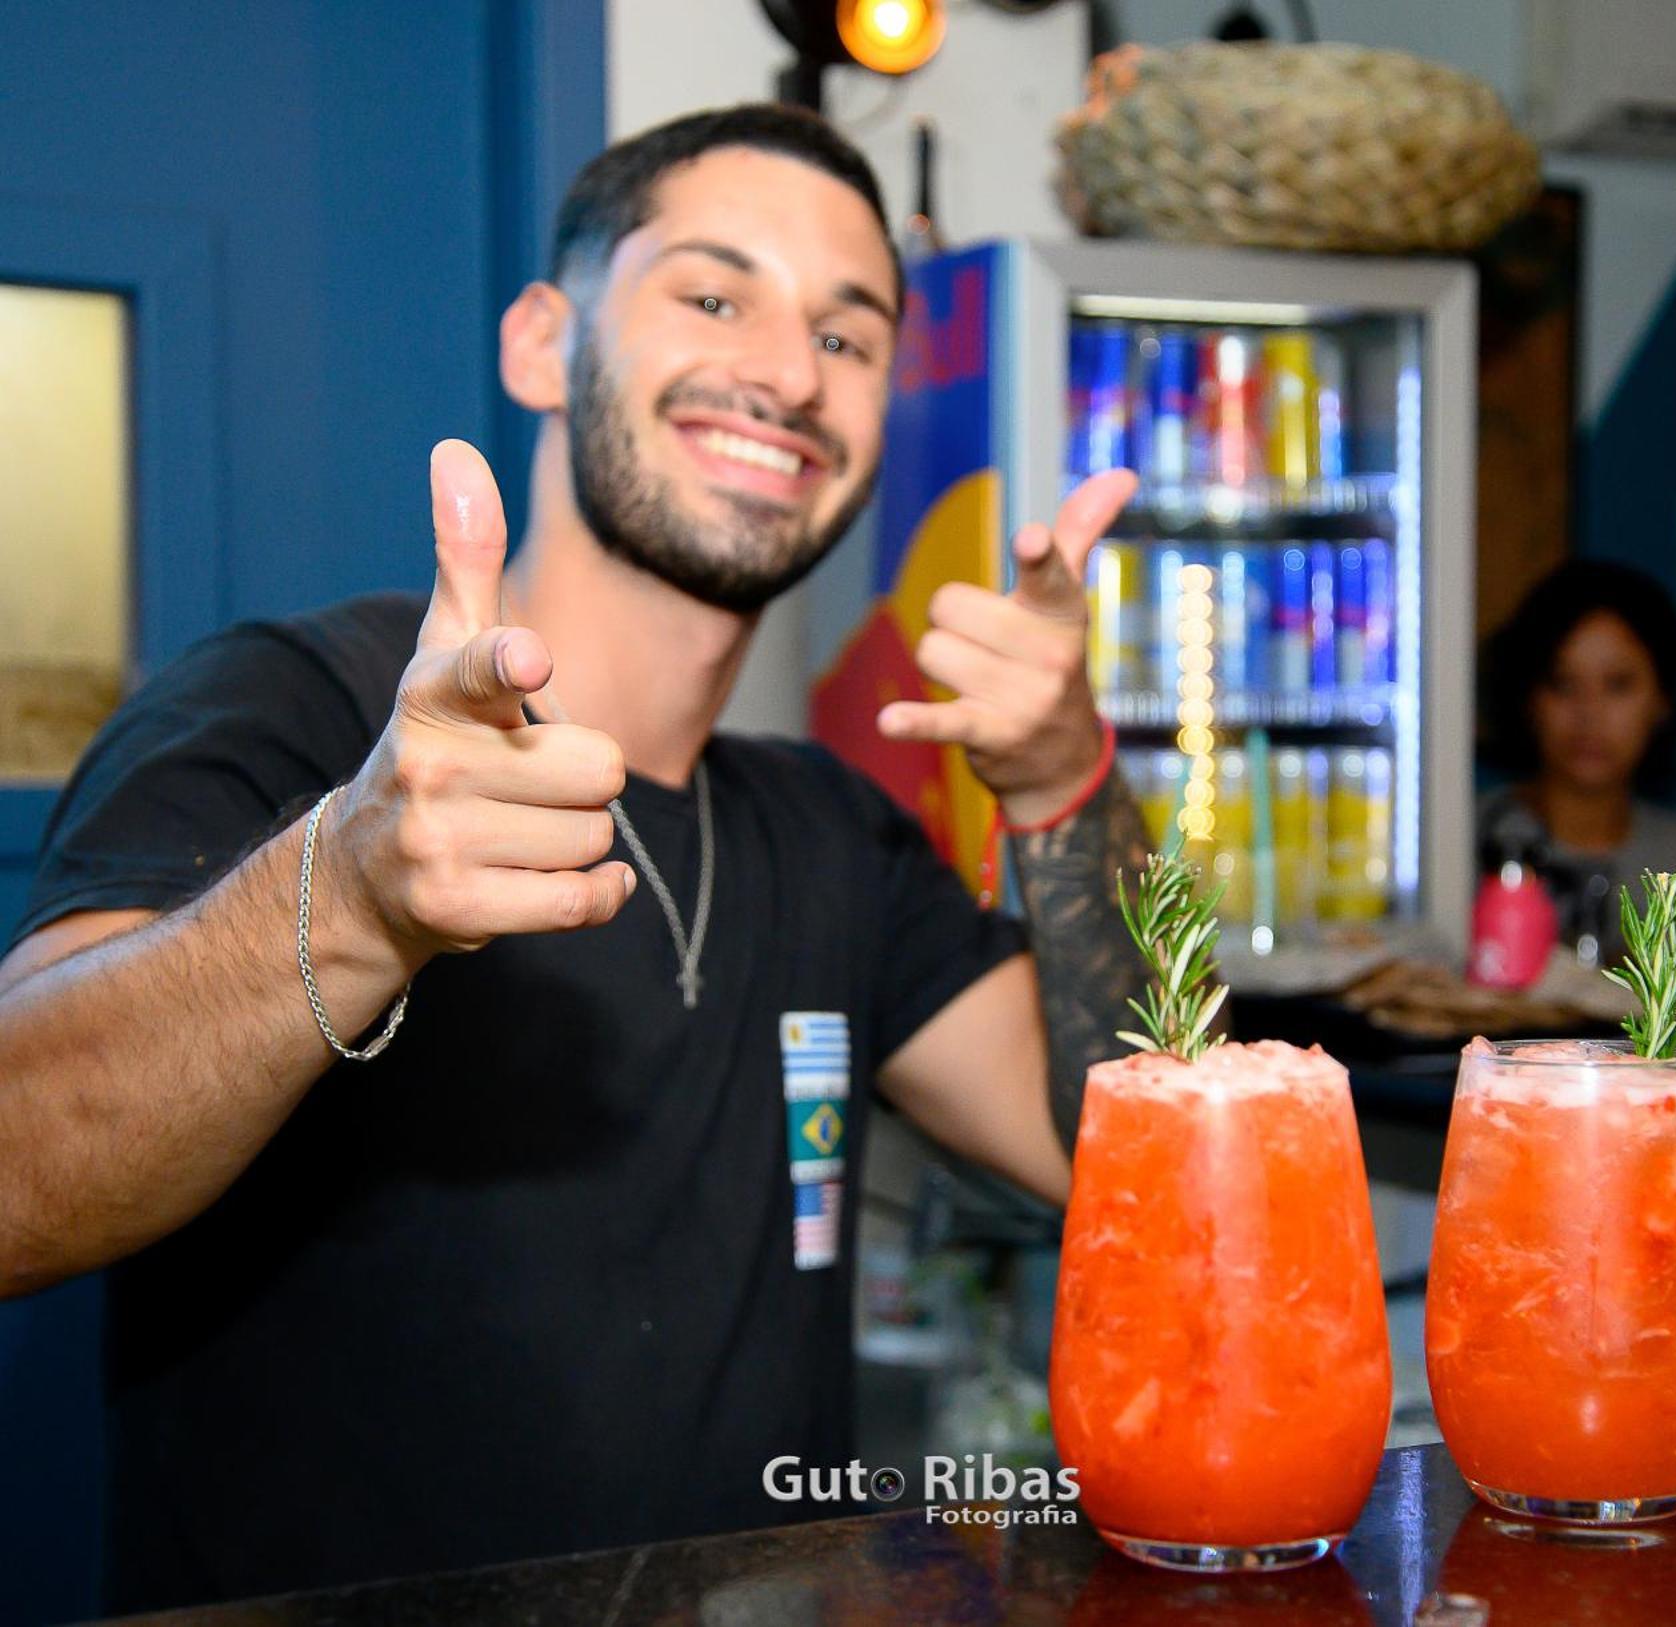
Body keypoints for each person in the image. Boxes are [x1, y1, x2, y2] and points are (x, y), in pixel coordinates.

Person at [0, 105, 1154, 1613]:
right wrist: (344, 895)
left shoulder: (835, 832)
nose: (791, 373)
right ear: (545, 342)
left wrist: (1071, 781)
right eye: (714, 292)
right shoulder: (290, 714)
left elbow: (1126, 1157)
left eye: (851, 335)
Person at [1478, 559, 1676, 951]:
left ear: (1662, 702)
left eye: (1618, 685)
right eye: (1563, 684)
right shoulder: (1463, 843)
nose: (1588, 714)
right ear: (1529, 698)